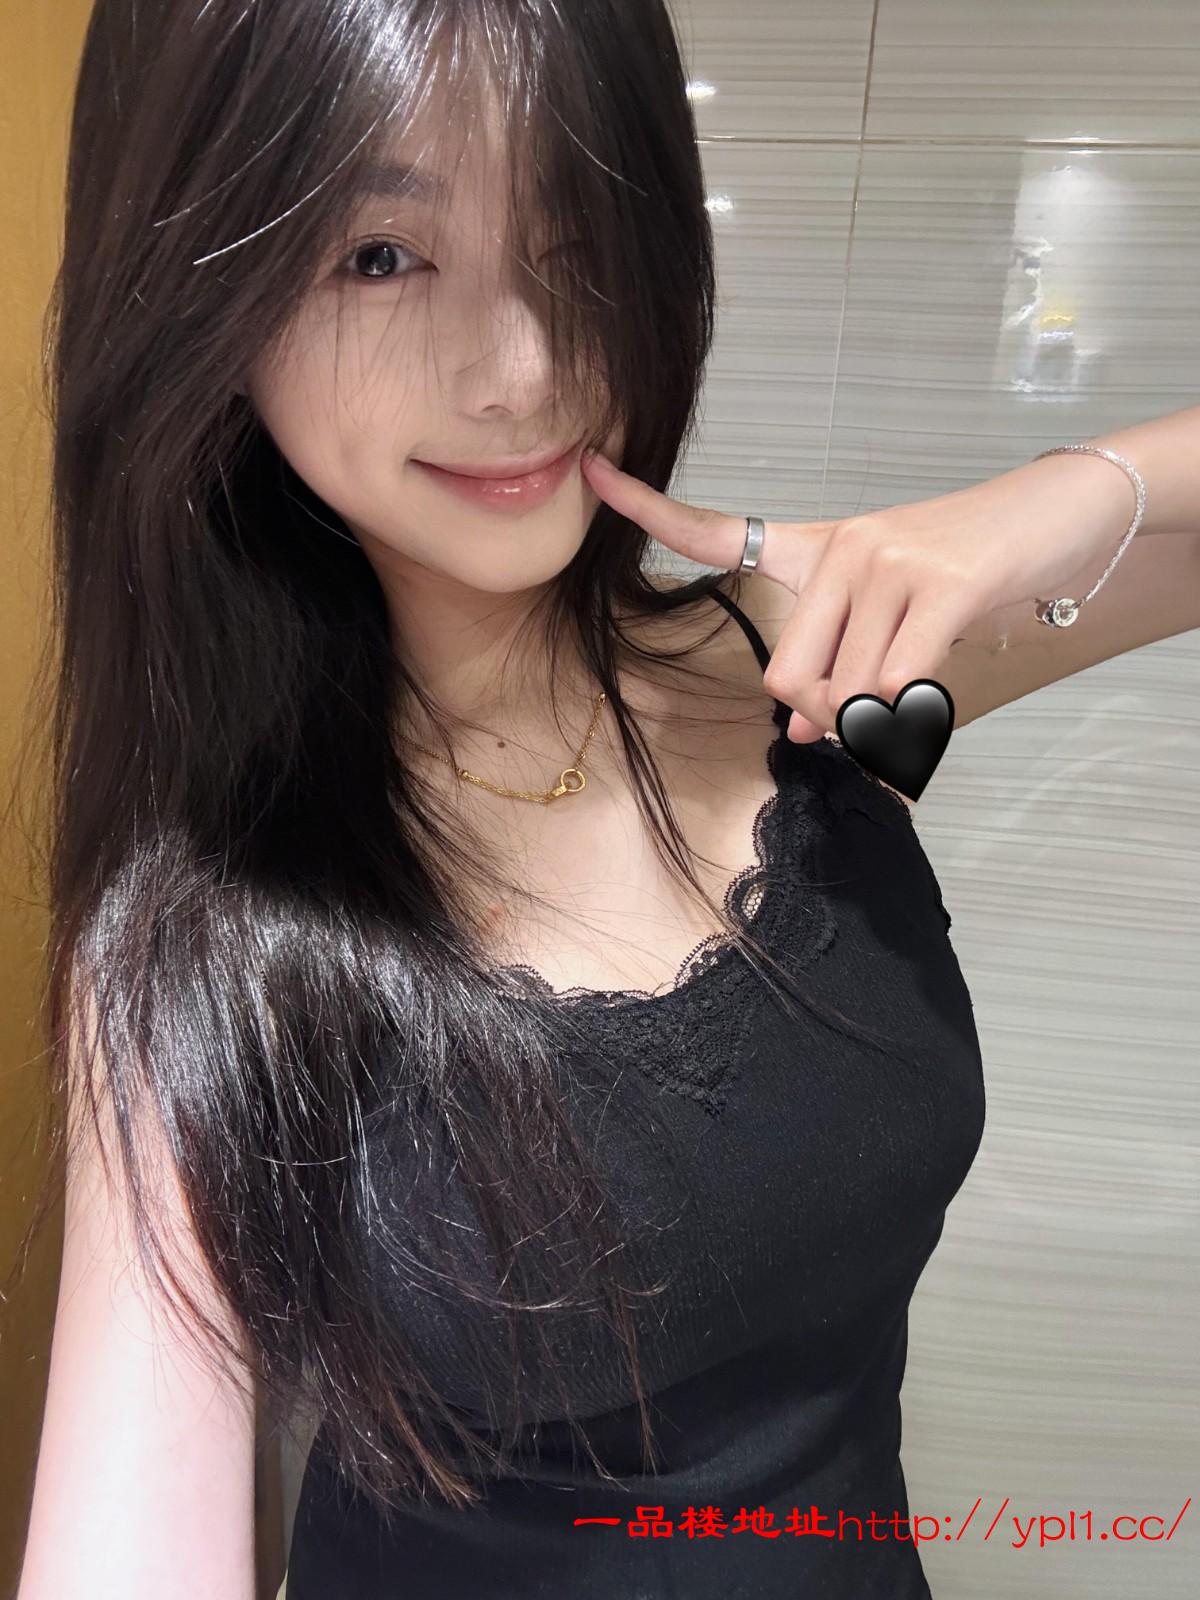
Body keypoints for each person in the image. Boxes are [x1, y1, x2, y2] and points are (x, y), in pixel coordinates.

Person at [13, 4, 1200, 1600]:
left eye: (575, 231)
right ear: (204, 297)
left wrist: (1049, 502)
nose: (523, 370)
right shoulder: (207, 931)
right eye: (381, 255)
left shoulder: (810, 675)